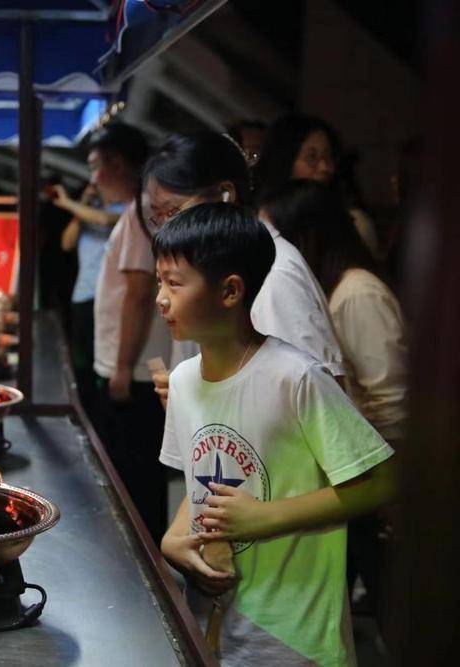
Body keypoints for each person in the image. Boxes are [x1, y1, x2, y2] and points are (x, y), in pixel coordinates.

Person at [155, 203, 396, 666]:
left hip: (293, 636)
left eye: (175, 283)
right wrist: (174, 540)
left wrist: (264, 518)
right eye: (159, 281)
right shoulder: (184, 382)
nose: (161, 299)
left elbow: (383, 480)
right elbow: (203, 483)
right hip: (217, 622)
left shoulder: (295, 377)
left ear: (230, 291)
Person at [260, 180, 407, 624]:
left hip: (372, 464)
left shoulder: (357, 293)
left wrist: (385, 486)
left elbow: (392, 399)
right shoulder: (332, 289)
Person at [141, 133, 346, 408]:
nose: (165, 228)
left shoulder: (273, 275)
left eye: (173, 211)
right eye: (157, 215)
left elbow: (320, 399)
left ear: (225, 195)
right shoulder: (206, 266)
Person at [87, 123, 171, 538]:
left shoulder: (141, 213)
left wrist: (122, 367)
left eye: (96, 167)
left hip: (135, 373)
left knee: (133, 478)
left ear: (118, 164)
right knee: (134, 475)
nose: (93, 179)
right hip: (133, 368)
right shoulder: (135, 212)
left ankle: (139, 563)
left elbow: (139, 293)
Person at [257, 113, 380, 260]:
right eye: (312, 157)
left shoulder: (354, 223)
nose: (325, 168)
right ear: (284, 163)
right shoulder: (263, 219)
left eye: (329, 157)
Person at [53, 182, 121, 412]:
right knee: (81, 363)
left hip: (108, 298)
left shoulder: (128, 209)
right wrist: (80, 204)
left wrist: (68, 203)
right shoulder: (83, 214)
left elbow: (104, 219)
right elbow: (66, 243)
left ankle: (101, 408)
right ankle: (85, 408)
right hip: (82, 295)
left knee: (100, 363)